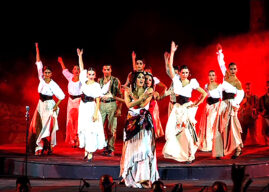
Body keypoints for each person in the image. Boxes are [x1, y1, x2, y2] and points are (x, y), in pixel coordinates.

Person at [162, 41, 207, 163]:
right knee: (174, 132)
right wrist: (172, 52)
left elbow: (204, 93)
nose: (185, 74)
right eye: (183, 72)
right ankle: (179, 153)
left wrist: (197, 103)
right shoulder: (176, 80)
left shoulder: (192, 82)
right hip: (177, 108)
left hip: (186, 108)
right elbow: (170, 66)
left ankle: (190, 155)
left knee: (186, 132)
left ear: (189, 73)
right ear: (180, 73)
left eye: (187, 73)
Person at [120, 72, 159, 188]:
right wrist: (133, 95)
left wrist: (134, 96)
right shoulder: (128, 91)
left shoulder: (149, 90)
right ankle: (129, 176)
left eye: (143, 77)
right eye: (139, 77)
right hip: (131, 123)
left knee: (143, 149)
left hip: (143, 124)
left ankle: (144, 178)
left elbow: (142, 104)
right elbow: (128, 105)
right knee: (131, 150)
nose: (142, 79)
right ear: (134, 79)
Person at [29, 43, 65, 155]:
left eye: (49, 73)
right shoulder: (41, 78)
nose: (47, 74)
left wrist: (56, 105)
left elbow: (62, 96)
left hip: (50, 106)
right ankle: (39, 147)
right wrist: (37, 48)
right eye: (45, 72)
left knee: (46, 127)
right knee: (38, 125)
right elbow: (38, 62)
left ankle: (47, 145)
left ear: (52, 74)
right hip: (41, 104)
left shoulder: (53, 84)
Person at [213, 44, 244, 159]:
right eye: (231, 68)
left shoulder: (237, 82)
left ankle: (238, 149)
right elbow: (221, 64)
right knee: (220, 126)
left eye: (234, 69)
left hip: (231, 104)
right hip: (223, 104)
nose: (232, 70)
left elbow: (241, 94)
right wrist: (220, 52)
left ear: (237, 70)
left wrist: (235, 104)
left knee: (232, 127)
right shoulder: (225, 76)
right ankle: (219, 151)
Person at [76, 48, 107, 162]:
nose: (91, 76)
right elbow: (81, 67)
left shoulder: (96, 85)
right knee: (84, 128)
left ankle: (90, 152)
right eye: (89, 74)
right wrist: (80, 56)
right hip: (83, 107)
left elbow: (98, 100)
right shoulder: (83, 81)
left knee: (91, 130)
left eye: (93, 74)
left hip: (91, 107)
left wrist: (95, 114)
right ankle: (86, 150)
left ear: (95, 75)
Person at [98, 64, 123, 156]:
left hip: (112, 104)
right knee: (100, 127)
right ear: (102, 70)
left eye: (108, 69)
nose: (106, 71)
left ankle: (111, 148)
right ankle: (105, 146)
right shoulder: (99, 81)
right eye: (105, 69)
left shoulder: (115, 80)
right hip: (102, 104)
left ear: (111, 70)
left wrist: (119, 108)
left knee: (112, 128)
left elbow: (120, 94)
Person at [58, 57, 82, 148]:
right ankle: (72, 139)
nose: (76, 70)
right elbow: (64, 70)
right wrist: (61, 62)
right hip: (70, 101)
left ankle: (78, 139)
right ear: (72, 70)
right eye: (75, 69)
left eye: (78, 69)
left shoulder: (82, 80)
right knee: (70, 121)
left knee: (78, 121)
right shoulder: (70, 77)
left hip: (79, 100)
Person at [198, 70, 222, 152]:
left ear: (215, 77)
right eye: (210, 75)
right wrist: (196, 102)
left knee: (213, 125)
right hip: (208, 107)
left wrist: (221, 108)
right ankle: (209, 145)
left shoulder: (219, 86)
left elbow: (221, 97)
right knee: (207, 125)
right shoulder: (206, 85)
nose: (211, 77)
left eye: (213, 75)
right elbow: (202, 95)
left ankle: (215, 144)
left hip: (216, 107)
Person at [258, 80, 269, 145]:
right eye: (267, 86)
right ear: (265, 87)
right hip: (265, 117)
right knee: (265, 131)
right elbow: (258, 109)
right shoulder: (262, 98)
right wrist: (261, 113)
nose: (268, 87)